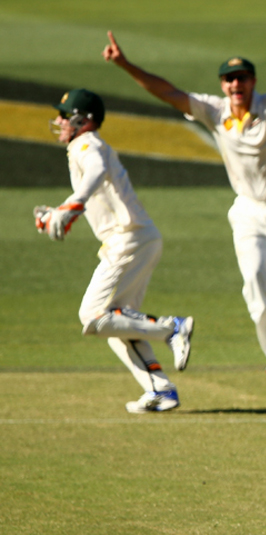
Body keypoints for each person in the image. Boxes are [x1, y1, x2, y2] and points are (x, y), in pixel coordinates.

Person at [103, 18, 266, 374]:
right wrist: (125, 64)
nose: (236, 84)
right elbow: (168, 93)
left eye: (242, 78)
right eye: (229, 79)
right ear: (223, 85)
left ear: (253, 82)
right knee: (254, 281)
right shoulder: (215, 111)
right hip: (248, 211)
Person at [34, 88, 194, 413]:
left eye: (64, 116)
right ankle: (161, 391)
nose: (59, 121)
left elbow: (95, 172)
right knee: (118, 324)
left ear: (82, 120)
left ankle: (172, 327)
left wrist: (72, 206)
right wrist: (63, 211)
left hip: (128, 239)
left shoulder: (86, 144)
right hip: (136, 238)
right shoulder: (87, 145)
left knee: (93, 316)